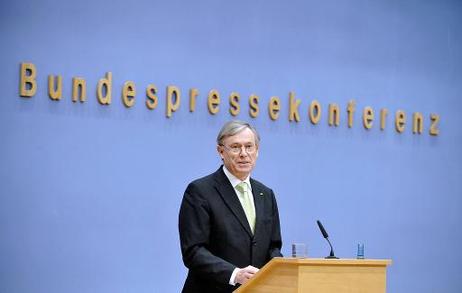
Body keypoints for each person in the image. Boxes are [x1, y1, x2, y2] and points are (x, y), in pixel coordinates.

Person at [178, 120, 282, 293]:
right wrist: (235, 275)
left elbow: (273, 247)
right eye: (235, 147)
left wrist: (277, 270)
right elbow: (193, 251)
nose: (243, 154)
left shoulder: (266, 194)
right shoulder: (200, 191)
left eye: (249, 146)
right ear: (221, 151)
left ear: (257, 151)